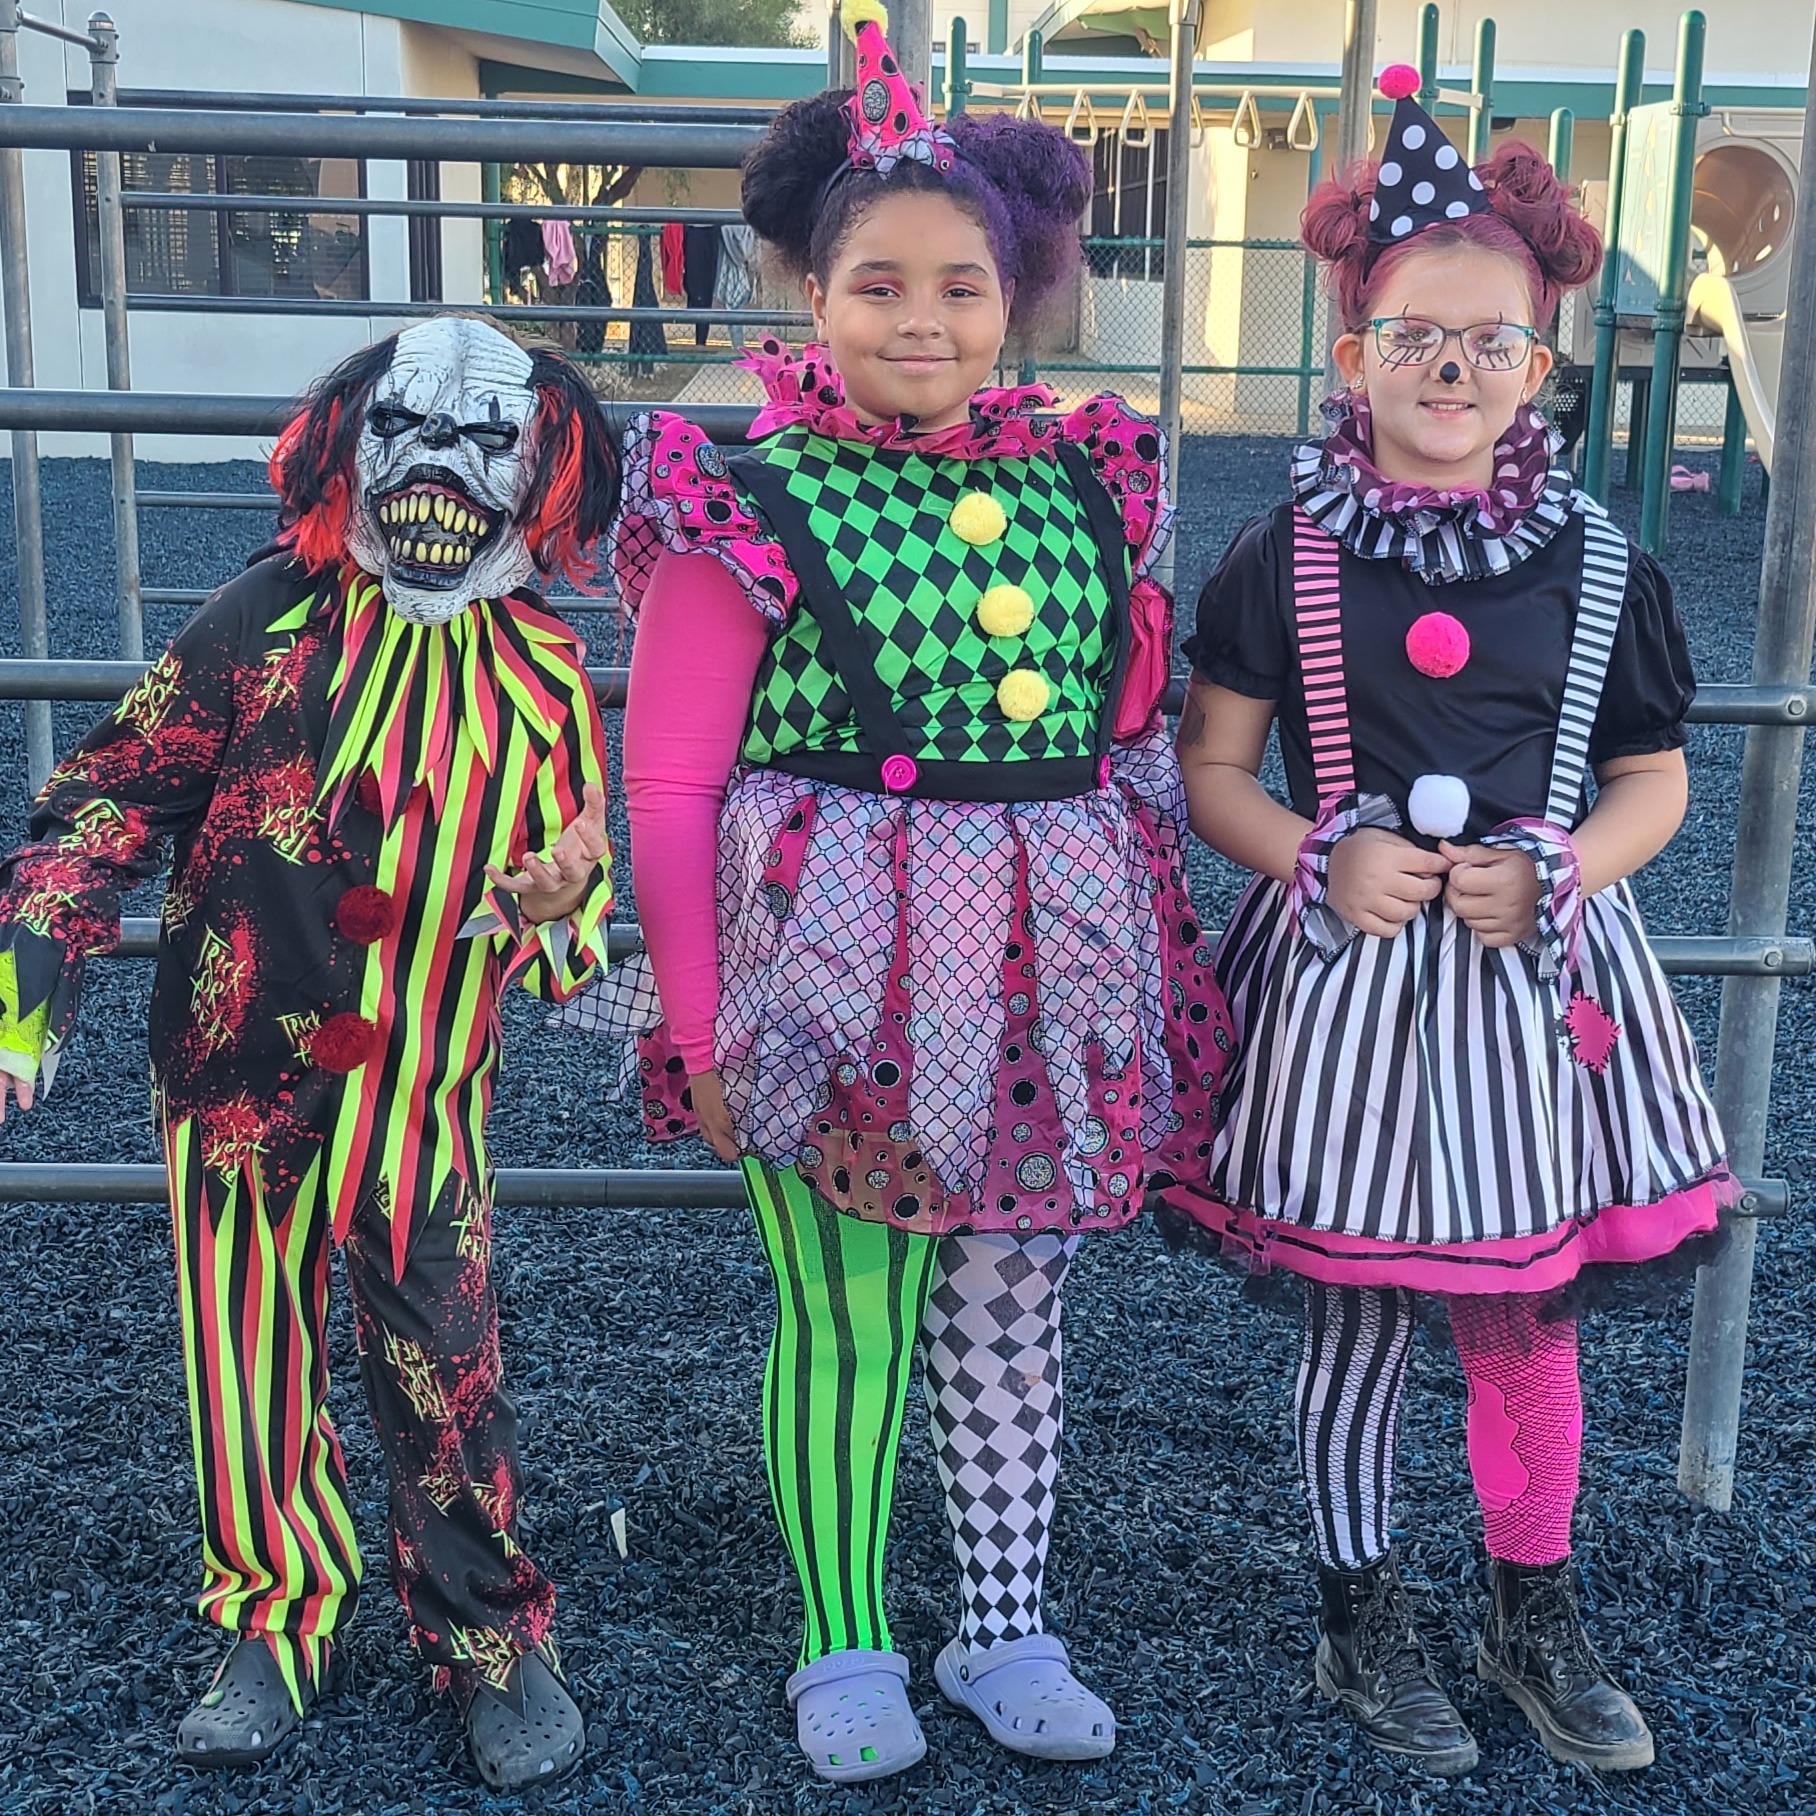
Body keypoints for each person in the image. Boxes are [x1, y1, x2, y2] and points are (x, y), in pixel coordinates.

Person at [569, 0, 1229, 1782]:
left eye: (959, 283)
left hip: (1034, 975)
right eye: (879, 284)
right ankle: (844, 1635)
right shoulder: (750, 493)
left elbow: (1128, 730)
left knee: (1014, 1312)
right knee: (850, 1310)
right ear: (809, 290)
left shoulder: (1088, 478)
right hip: (832, 976)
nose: (921, 318)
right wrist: (693, 1017)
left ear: (1012, 294)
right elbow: (675, 775)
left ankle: (1003, 1617)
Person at [1164, 66, 1734, 1779]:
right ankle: (1359, 1621)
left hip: (1526, 987)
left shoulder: (1599, 561)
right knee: (1352, 1320)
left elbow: (1655, 781)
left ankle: (1529, 1609)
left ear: (1538, 367)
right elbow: (1215, 768)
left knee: (1524, 1317)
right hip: (1343, 991)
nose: (1452, 370)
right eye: (1417, 338)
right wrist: (1303, 858)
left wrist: (1569, 867)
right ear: (1352, 357)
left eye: (1492, 344)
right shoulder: (1288, 553)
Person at [0, 318, 618, 1791]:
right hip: (231, 1080)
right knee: (245, 1358)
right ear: (347, 445)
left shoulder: (542, 668)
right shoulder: (253, 621)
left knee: (441, 1359)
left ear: (540, 470)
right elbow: (98, 803)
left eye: (485, 442)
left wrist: (558, 900)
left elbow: (574, 871)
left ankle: (484, 1631)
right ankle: (277, 1615)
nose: (438, 472)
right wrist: (25, 994)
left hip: (420, 1090)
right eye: (409, 430)